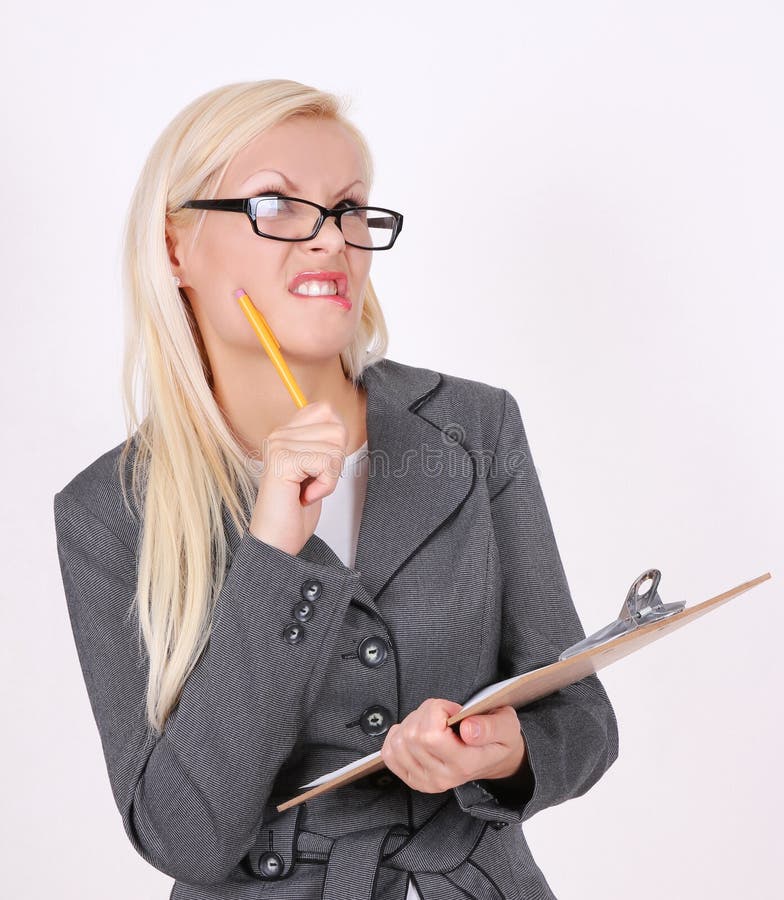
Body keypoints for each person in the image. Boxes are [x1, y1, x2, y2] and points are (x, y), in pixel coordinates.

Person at [53, 78, 619, 900]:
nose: (330, 242)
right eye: (275, 204)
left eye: (349, 208)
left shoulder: (473, 427)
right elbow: (183, 836)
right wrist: (272, 551)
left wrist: (505, 754)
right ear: (176, 246)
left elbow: (583, 723)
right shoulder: (109, 510)